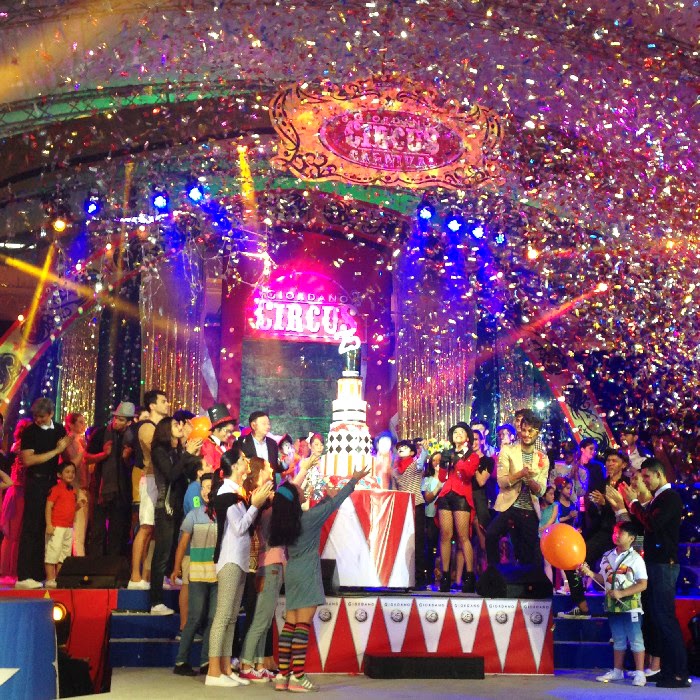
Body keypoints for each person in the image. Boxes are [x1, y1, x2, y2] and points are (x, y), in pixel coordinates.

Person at [270, 464, 370, 693]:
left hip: (292, 571)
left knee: (290, 624)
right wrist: (353, 480)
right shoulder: (308, 519)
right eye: (299, 489)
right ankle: (298, 676)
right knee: (302, 625)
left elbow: (323, 507)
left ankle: (283, 675)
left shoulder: (287, 523)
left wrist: (326, 497)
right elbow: (334, 505)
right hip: (307, 571)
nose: (302, 489)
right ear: (294, 501)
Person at [620, 458, 691, 688]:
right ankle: (666, 670)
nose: (645, 481)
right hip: (655, 564)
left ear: (659, 475)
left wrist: (633, 503)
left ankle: (679, 673)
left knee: (665, 618)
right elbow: (645, 526)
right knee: (656, 619)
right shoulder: (659, 499)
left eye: (647, 476)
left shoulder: (669, 498)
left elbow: (652, 524)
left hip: (664, 566)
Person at [205, 445, 272, 687]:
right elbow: (240, 527)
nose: (246, 462)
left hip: (240, 559)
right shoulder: (226, 493)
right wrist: (255, 505)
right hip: (230, 559)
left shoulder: (237, 492)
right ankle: (213, 671)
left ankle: (225, 668)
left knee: (232, 617)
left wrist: (254, 503)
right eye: (243, 459)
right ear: (234, 466)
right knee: (223, 616)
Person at [580, 521, 648, 687]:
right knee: (618, 639)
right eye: (615, 532)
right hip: (612, 605)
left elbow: (643, 584)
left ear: (631, 538)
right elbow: (603, 579)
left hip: (631, 606)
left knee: (636, 639)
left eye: (621, 533)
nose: (616, 535)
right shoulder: (607, 556)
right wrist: (589, 573)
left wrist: (622, 593)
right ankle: (617, 671)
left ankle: (640, 673)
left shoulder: (636, 558)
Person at [16, 398, 72, 589]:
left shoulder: (58, 429)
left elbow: (67, 457)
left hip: (52, 483)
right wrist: (56, 450)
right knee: (31, 528)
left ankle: (40, 574)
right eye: (35, 416)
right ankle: (24, 575)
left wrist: (70, 445)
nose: (38, 420)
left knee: (46, 529)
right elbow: (28, 460)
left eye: (41, 416)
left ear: (50, 414)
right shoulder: (30, 432)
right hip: (35, 482)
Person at [149, 416, 202, 615]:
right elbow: (171, 474)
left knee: (172, 548)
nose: (180, 426)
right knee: (161, 553)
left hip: (179, 506)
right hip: (166, 507)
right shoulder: (159, 451)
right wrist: (186, 454)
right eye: (175, 424)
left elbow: (185, 473)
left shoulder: (177, 450)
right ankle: (155, 602)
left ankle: (169, 577)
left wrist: (191, 454)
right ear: (165, 429)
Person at [485, 410, 549, 572]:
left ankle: (524, 581)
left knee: (526, 555)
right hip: (509, 506)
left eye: (530, 431)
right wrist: (520, 474)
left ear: (537, 432)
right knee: (491, 534)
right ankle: (494, 573)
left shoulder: (542, 458)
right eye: (524, 430)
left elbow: (541, 491)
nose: (526, 434)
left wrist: (530, 481)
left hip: (530, 510)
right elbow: (501, 481)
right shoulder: (508, 451)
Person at [171, 473, 217, 676]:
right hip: (198, 573)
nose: (207, 491)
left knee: (213, 618)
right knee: (195, 616)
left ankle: (206, 661)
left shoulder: (223, 513)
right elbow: (182, 544)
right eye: (204, 487)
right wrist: (176, 568)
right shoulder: (193, 515)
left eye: (210, 487)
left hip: (217, 574)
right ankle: (181, 661)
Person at [129, 389, 170, 590]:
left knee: (156, 531)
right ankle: (135, 576)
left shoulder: (163, 426)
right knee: (145, 527)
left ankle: (149, 575)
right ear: (152, 405)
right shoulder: (147, 427)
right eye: (163, 401)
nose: (167, 404)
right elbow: (156, 449)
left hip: (162, 479)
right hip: (151, 479)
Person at [86, 402, 136, 557]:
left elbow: (134, 467)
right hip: (101, 489)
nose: (116, 422)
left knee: (117, 533)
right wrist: (104, 455)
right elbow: (86, 458)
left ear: (128, 422)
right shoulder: (101, 433)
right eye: (115, 418)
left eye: (121, 420)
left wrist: (127, 458)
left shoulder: (131, 438)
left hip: (122, 491)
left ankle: (113, 566)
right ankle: (96, 566)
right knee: (98, 531)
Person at [436, 423, 480, 593]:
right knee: (445, 535)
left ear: (467, 437)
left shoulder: (472, 456)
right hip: (446, 495)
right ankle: (445, 576)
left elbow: (468, 475)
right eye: (455, 432)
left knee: (463, 537)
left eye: (462, 432)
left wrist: (457, 461)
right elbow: (442, 478)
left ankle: (469, 576)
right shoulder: (448, 453)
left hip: (462, 495)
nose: (458, 434)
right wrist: (443, 463)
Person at [392, 440, 427, 588]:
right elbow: (395, 490)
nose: (401, 449)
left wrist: (424, 449)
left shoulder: (414, 465)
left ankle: (420, 577)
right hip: (402, 507)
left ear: (412, 452)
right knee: (403, 541)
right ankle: (403, 576)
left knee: (417, 541)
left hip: (416, 504)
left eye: (405, 447)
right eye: (399, 447)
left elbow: (422, 460)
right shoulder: (395, 470)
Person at [0, 419, 31, 583]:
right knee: (14, 533)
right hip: (18, 492)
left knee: (15, 533)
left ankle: (11, 569)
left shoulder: (18, 447)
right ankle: (9, 570)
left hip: (19, 491)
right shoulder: (19, 449)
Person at [44, 462, 84, 588]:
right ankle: (50, 579)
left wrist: (78, 506)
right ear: (59, 474)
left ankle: (60, 578)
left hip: (68, 527)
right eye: (67, 472)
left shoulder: (73, 491)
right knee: (52, 553)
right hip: (56, 527)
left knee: (64, 555)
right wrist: (49, 524)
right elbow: (49, 506)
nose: (70, 474)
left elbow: (69, 509)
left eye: (72, 472)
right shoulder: (55, 489)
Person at [63, 413, 89, 556]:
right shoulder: (70, 441)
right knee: (76, 533)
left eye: (84, 422)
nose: (83, 425)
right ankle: (77, 564)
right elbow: (72, 464)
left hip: (83, 488)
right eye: (80, 422)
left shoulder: (80, 441)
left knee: (79, 533)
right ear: (71, 424)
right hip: (74, 489)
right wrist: (83, 450)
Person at [421, 453, 443, 587]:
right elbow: (427, 498)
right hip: (430, 516)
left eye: (439, 460)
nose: (437, 462)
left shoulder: (448, 478)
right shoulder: (427, 480)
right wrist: (438, 488)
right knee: (430, 547)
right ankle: (428, 576)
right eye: (434, 460)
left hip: (444, 516)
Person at [200, 404, 236, 473]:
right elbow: (209, 469)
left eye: (231, 432)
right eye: (227, 431)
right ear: (216, 429)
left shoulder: (227, 445)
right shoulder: (207, 446)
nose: (229, 434)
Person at [538, 485, 559, 583]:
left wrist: (544, 527)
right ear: (543, 496)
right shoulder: (539, 508)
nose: (553, 496)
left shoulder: (555, 506)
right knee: (547, 563)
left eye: (553, 494)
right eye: (550, 494)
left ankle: (567, 583)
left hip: (554, 535)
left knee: (560, 561)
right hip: (543, 537)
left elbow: (552, 519)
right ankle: (549, 585)